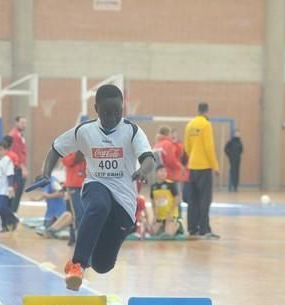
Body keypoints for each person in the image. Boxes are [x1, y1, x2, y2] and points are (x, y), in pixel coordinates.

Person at [40, 84, 155, 291]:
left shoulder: (132, 131)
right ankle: (77, 265)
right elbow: (56, 149)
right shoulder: (85, 131)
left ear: (123, 109)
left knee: (103, 265)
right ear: (96, 109)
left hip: (124, 201)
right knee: (99, 206)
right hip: (96, 185)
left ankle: (90, 256)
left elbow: (148, 158)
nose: (112, 117)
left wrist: (143, 171)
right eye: (106, 113)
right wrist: (46, 172)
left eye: (117, 113)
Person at [184, 102, 219, 239]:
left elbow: (186, 147)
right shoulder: (206, 124)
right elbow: (209, 147)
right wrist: (215, 166)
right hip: (204, 167)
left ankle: (192, 228)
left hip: (192, 166)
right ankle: (204, 229)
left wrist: (193, 157)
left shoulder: (190, 125)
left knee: (193, 200)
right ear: (207, 111)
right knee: (205, 200)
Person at [0, 140, 18, 232]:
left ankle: (14, 219)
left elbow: (10, 175)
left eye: (1, 150)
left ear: (5, 151)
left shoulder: (8, 161)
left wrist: (10, 188)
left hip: (5, 188)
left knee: (3, 207)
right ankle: (4, 226)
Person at [61, 151, 86, 246]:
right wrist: (77, 154)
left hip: (86, 185)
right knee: (76, 214)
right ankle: (76, 238)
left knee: (83, 213)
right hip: (73, 186)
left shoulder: (88, 148)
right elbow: (66, 161)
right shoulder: (70, 150)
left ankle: (76, 238)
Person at [150, 165, 182, 237]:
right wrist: (155, 216)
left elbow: (177, 199)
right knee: (152, 233)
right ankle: (162, 226)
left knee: (168, 235)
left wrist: (170, 214)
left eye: (165, 171)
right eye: (161, 171)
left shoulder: (171, 184)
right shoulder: (153, 187)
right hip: (160, 217)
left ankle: (177, 225)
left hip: (170, 216)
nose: (163, 173)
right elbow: (153, 203)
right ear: (156, 173)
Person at [8, 116, 28, 212]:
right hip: (17, 168)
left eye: (25, 123)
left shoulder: (20, 135)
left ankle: (12, 212)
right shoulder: (15, 135)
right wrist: (23, 168)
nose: (24, 125)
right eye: (22, 123)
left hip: (19, 167)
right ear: (16, 123)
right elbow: (17, 153)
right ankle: (12, 213)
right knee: (17, 191)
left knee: (19, 192)